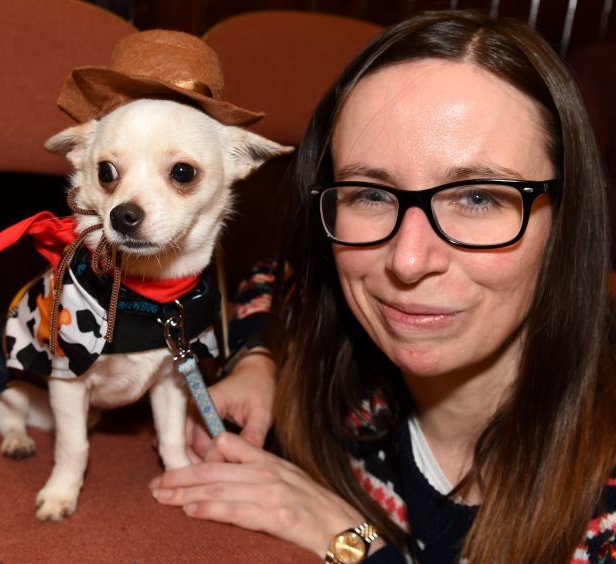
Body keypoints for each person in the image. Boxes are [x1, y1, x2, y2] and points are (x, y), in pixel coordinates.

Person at [149, 9, 616, 562]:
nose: (409, 260)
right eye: (370, 194)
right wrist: (258, 362)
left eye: (477, 198)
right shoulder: (339, 368)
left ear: (565, 222)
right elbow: (274, 282)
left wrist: (348, 537)